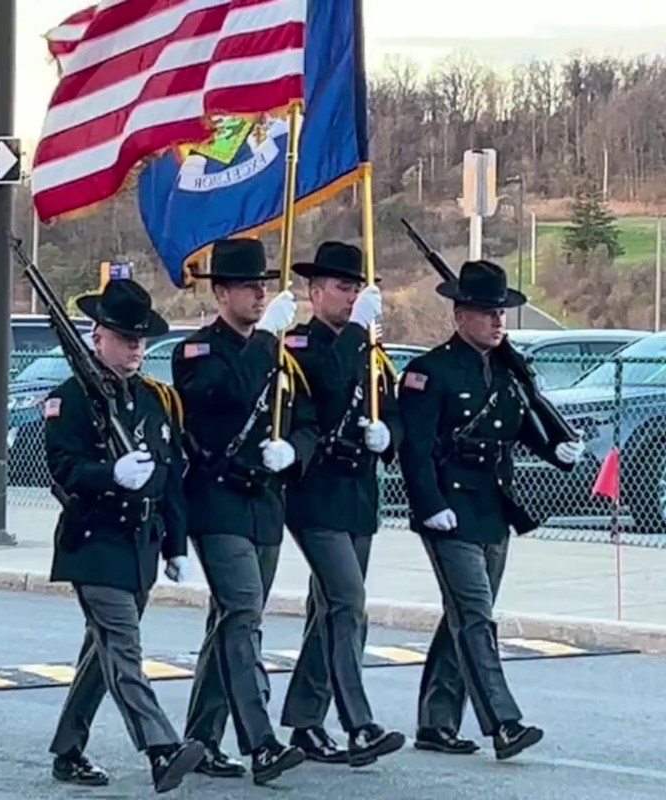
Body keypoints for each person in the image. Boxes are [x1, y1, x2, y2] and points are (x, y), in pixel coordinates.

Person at [396, 260, 586, 760]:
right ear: (460, 317)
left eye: (501, 312)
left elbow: (519, 424)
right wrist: (430, 506)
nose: (498, 321)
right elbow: (414, 449)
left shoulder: (505, 370)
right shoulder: (428, 372)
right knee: (476, 614)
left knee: (463, 615)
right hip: (449, 508)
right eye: (486, 313)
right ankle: (503, 722)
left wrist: (555, 450)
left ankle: (436, 723)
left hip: (492, 508)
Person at [44, 278, 204, 793]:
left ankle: (69, 749)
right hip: (94, 543)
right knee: (123, 649)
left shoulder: (154, 401)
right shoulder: (68, 399)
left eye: (140, 338)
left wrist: (176, 545)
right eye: (124, 336)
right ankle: (161, 748)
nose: (135, 347)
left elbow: (172, 476)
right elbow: (64, 467)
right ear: (97, 336)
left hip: (141, 547)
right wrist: (108, 475)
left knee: (103, 653)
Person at [171, 238, 319, 786]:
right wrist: (264, 345)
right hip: (217, 499)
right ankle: (260, 742)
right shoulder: (197, 352)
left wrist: (294, 454)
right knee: (243, 615)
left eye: (264, 286)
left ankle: (201, 739)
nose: (261, 294)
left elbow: (306, 420)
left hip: (264, 503)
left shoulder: (275, 350)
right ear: (221, 292)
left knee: (230, 621)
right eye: (251, 286)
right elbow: (219, 395)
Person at [278, 241, 407, 766]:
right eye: (341, 288)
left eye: (356, 288)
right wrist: (358, 332)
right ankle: (359, 723)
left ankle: (306, 722)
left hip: (358, 494)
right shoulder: (301, 346)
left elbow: (394, 410)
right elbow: (328, 383)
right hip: (316, 494)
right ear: (314, 292)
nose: (351, 296)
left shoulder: (369, 353)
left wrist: (387, 435)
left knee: (330, 610)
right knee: (349, 605)